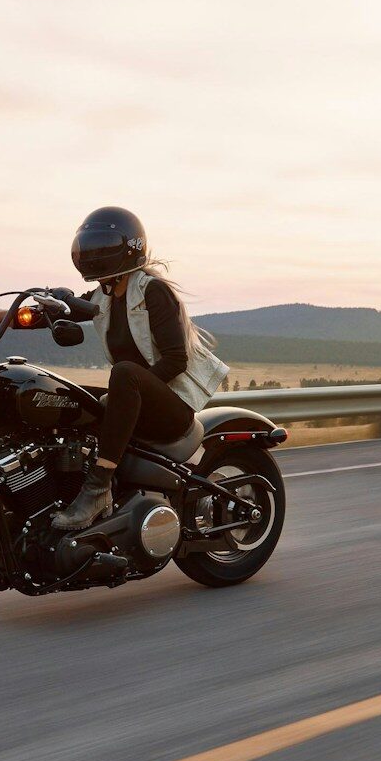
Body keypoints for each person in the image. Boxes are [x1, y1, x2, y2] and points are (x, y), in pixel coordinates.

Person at [53, 206, 229, 529]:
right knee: (71, 399)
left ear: (126, 249)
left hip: (172, 409)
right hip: (139, 399)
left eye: (102, 246)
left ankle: (98, 488)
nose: (93, 255)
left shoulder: (152, 292)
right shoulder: (103, 296)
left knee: (123, 373)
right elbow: (57, 312)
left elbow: (177, 359)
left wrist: (135, 389)